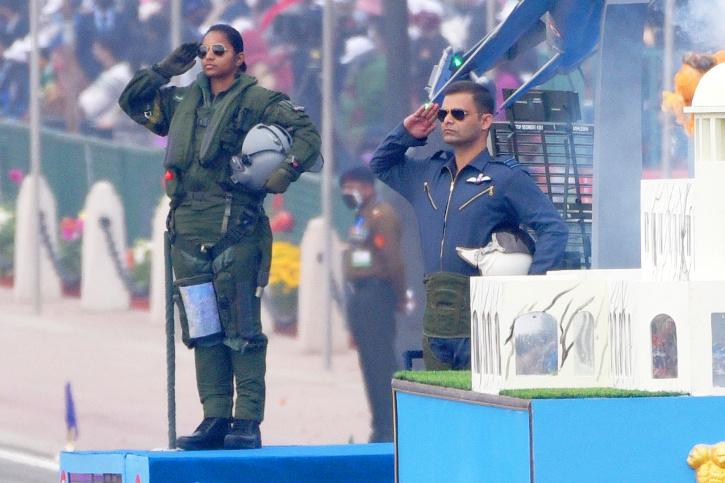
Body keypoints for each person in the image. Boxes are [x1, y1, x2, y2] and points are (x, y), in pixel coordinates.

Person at [119, 24, 321, 450]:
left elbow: (306, 134)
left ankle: (246, 420)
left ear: (239, 57)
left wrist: (284, 174)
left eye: (219, 50)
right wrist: (162, 70)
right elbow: (131, 101)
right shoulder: (181, 100)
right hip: (187, 232)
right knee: (203, 330)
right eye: (205, 50)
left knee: (241, 330)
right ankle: (215, 417)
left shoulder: (257, 101)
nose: (209, 57)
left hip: (237, 229)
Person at [370, 80, 568, 370]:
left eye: (459, 114)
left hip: (484, 317)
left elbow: (554, 229)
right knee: (439, 407)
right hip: (436, 320)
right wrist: (406, 134)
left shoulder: (505, 178)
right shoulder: (428, 173)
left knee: (481, 405)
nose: (448, 120)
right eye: (443, 115)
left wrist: (529, 287)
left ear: (486, 120)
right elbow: (381, 164)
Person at [340, 166, 405, 443]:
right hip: (361, 296)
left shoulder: (381, 215)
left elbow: (393, 261)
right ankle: (379, 426)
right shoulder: (361, 217)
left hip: (377, 295)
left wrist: (400, 296)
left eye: (351, 187)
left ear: (367, 186)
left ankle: (389, 428)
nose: (346, 193)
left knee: (381, 365)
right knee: (369, 365)